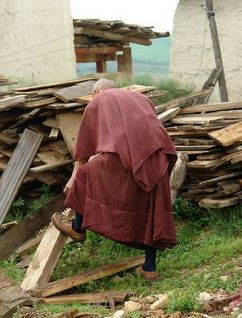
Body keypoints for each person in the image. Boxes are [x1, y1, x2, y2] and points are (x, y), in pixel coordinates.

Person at [51, 79, 177, 281]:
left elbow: (84, 150)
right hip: (157, 157)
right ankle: (149, 267)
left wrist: (73, 178)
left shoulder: (99, 99)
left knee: (85, 176)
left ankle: (77, 229)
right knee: (150, 210)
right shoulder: (139, 98)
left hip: (127, 159)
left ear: (95, 91)